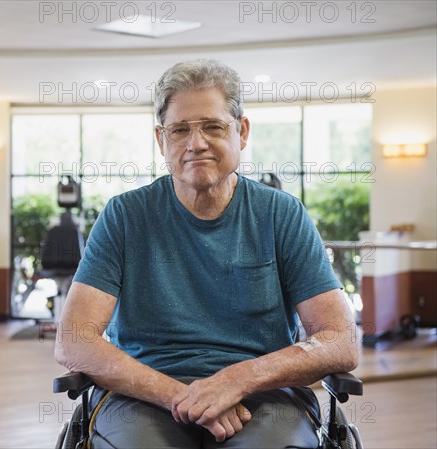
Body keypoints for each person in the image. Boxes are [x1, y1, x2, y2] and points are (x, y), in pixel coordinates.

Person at [54, 59, 360, 449]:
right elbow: (73, 340)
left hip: (264, 395)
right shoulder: (125, 216)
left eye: (213, 127)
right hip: (143, 393)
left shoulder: (281, 214)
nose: (195, 144)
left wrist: (236, 380)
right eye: (179, 130)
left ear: (242, 131)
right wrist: (181, 396)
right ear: (161, 139)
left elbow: (340, 340)